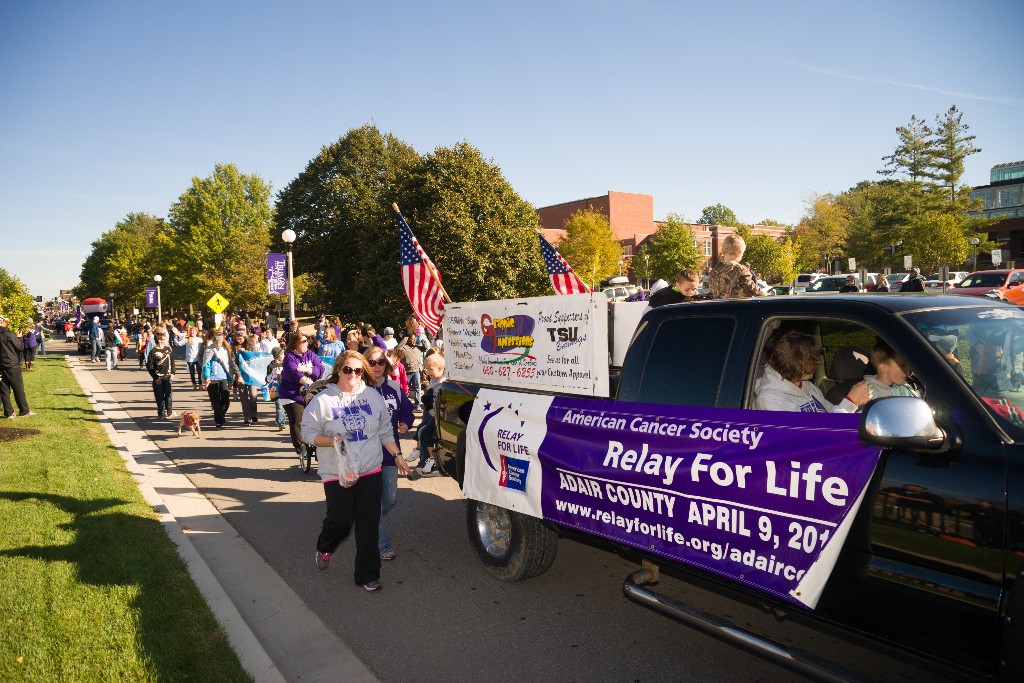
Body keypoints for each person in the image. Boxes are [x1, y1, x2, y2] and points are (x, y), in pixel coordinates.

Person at [302, 351, 406, 591]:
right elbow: (306, 432)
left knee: (369, 523)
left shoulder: (372, 396)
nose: (352, 375)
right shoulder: (323, 399)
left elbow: (384, 432)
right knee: (341, 521)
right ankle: (326, 546)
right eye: (347, 369)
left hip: (370, 468)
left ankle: (368, 575)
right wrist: (330, 442)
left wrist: (397, 456)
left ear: (364, 373)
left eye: (358, 370)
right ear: (338, 369)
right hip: (336, 470)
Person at [364, 345, 414, 560]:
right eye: (372, 362)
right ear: (366, 363)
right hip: (366, 454)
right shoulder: (359, 389)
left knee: (390, 499)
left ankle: (366, 518)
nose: (376, 366)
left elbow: (407, 411)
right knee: (374, 502)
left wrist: (406, 423)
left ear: (386, 364)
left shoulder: (393, 387)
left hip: (391, 452)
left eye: (380, 362)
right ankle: (383, 545)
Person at [753, 330, 871, 413]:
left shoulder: (808, 387)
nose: (817, 362)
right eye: (810, 359)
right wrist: (851, 402)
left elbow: (830, 415)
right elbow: (810, 439)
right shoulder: (770, 399)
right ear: (795, 365)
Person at [279, 332, 325, 457]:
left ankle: (316, 445)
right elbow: (294, 374)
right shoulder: (289, 357)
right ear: (295, 343)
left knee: (316, 420)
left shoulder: (310, 355)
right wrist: (308, 381)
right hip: (291, 395)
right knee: (298, 421)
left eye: (307, 341)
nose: (307, 343)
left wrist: (308, 370)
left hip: (309, 394)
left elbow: (320, 370)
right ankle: (301, 450)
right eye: (304, 341)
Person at [411, 351, 446, 475]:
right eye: (426, 369)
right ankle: (424, 454)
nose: (427, 372)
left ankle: (433, 460)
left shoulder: (444, 382)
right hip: (434, 412)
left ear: (440, 368)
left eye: (430, 369)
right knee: (422, 429)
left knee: (425, 432)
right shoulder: (434, 380)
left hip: (442, 415)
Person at [202, 330, 239, 428]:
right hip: (212, 378)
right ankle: (218, 421)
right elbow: (206, 365)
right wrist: (207, 377)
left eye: (219, 342)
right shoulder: (209, 350)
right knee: (216, 401)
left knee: (226, 400)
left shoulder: (225, 350)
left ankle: (220, 415)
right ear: (213, 342)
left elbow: (229, 364)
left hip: (223, 377)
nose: (217, 344)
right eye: (215, 342)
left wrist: (232, 375)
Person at [707, 235, 762, 299]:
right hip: (736, 307)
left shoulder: (715, 271)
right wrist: (771, 296)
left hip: (718, 308)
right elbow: (754, 291)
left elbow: (711, 290)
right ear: (739, 253)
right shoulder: (740, 270)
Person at [0, 315, 33, 418]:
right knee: (18, 388)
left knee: (4, 390)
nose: (6, 322)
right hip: (12, 365)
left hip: (1, 366)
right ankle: (24, 410)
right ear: (2, 322)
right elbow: (20, 347)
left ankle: (9, 413)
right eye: (5, 321)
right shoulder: (9, 334)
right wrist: (19, 337)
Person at [146, 328, 176, 419]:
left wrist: (173, 373)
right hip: (158, 377)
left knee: (169, 395)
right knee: (159, 396)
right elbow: (150, 366)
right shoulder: (153, 352)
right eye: (163, 339)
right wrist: (156, 378)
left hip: (167, 376)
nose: (165, 340)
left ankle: (169, 412)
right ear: (159, 340)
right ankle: (161, 413)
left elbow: (172, 362)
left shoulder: (168, 349)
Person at [234, 333, 259, 425]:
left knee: (253, 394)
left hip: (250, 374)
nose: (239, 340)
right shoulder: (234, 347)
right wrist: (238, 374)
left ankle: (254, 414)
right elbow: (233, 362)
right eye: (237, 338)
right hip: (240, 374)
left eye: (240, 338)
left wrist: (246, 352)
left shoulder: (251, 345)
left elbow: (255, 358)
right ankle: (246, 416)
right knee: (243, 397)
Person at [396, 337, 423, 410]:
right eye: (412, 339)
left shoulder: (417, 348)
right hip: (407, 371)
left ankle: (417, 405)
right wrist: (404, 340)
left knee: (417, 387)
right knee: (406, 388)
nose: (414, 341)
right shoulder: (404, 348)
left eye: (415, 339)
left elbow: (425, 348)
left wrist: (424, 342)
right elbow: (397, 348)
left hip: (416, 370)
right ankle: (403, 404)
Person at [265, 346, 287, 431]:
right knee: (279, 406)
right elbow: (267, 379)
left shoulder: (286, 363)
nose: (284, 355)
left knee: (284, 407)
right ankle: (281, 423)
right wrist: (272, 375)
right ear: (278, 355)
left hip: (285, 387)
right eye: (282, 354)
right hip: (275, 389)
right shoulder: (271, 366)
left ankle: (278, 418)